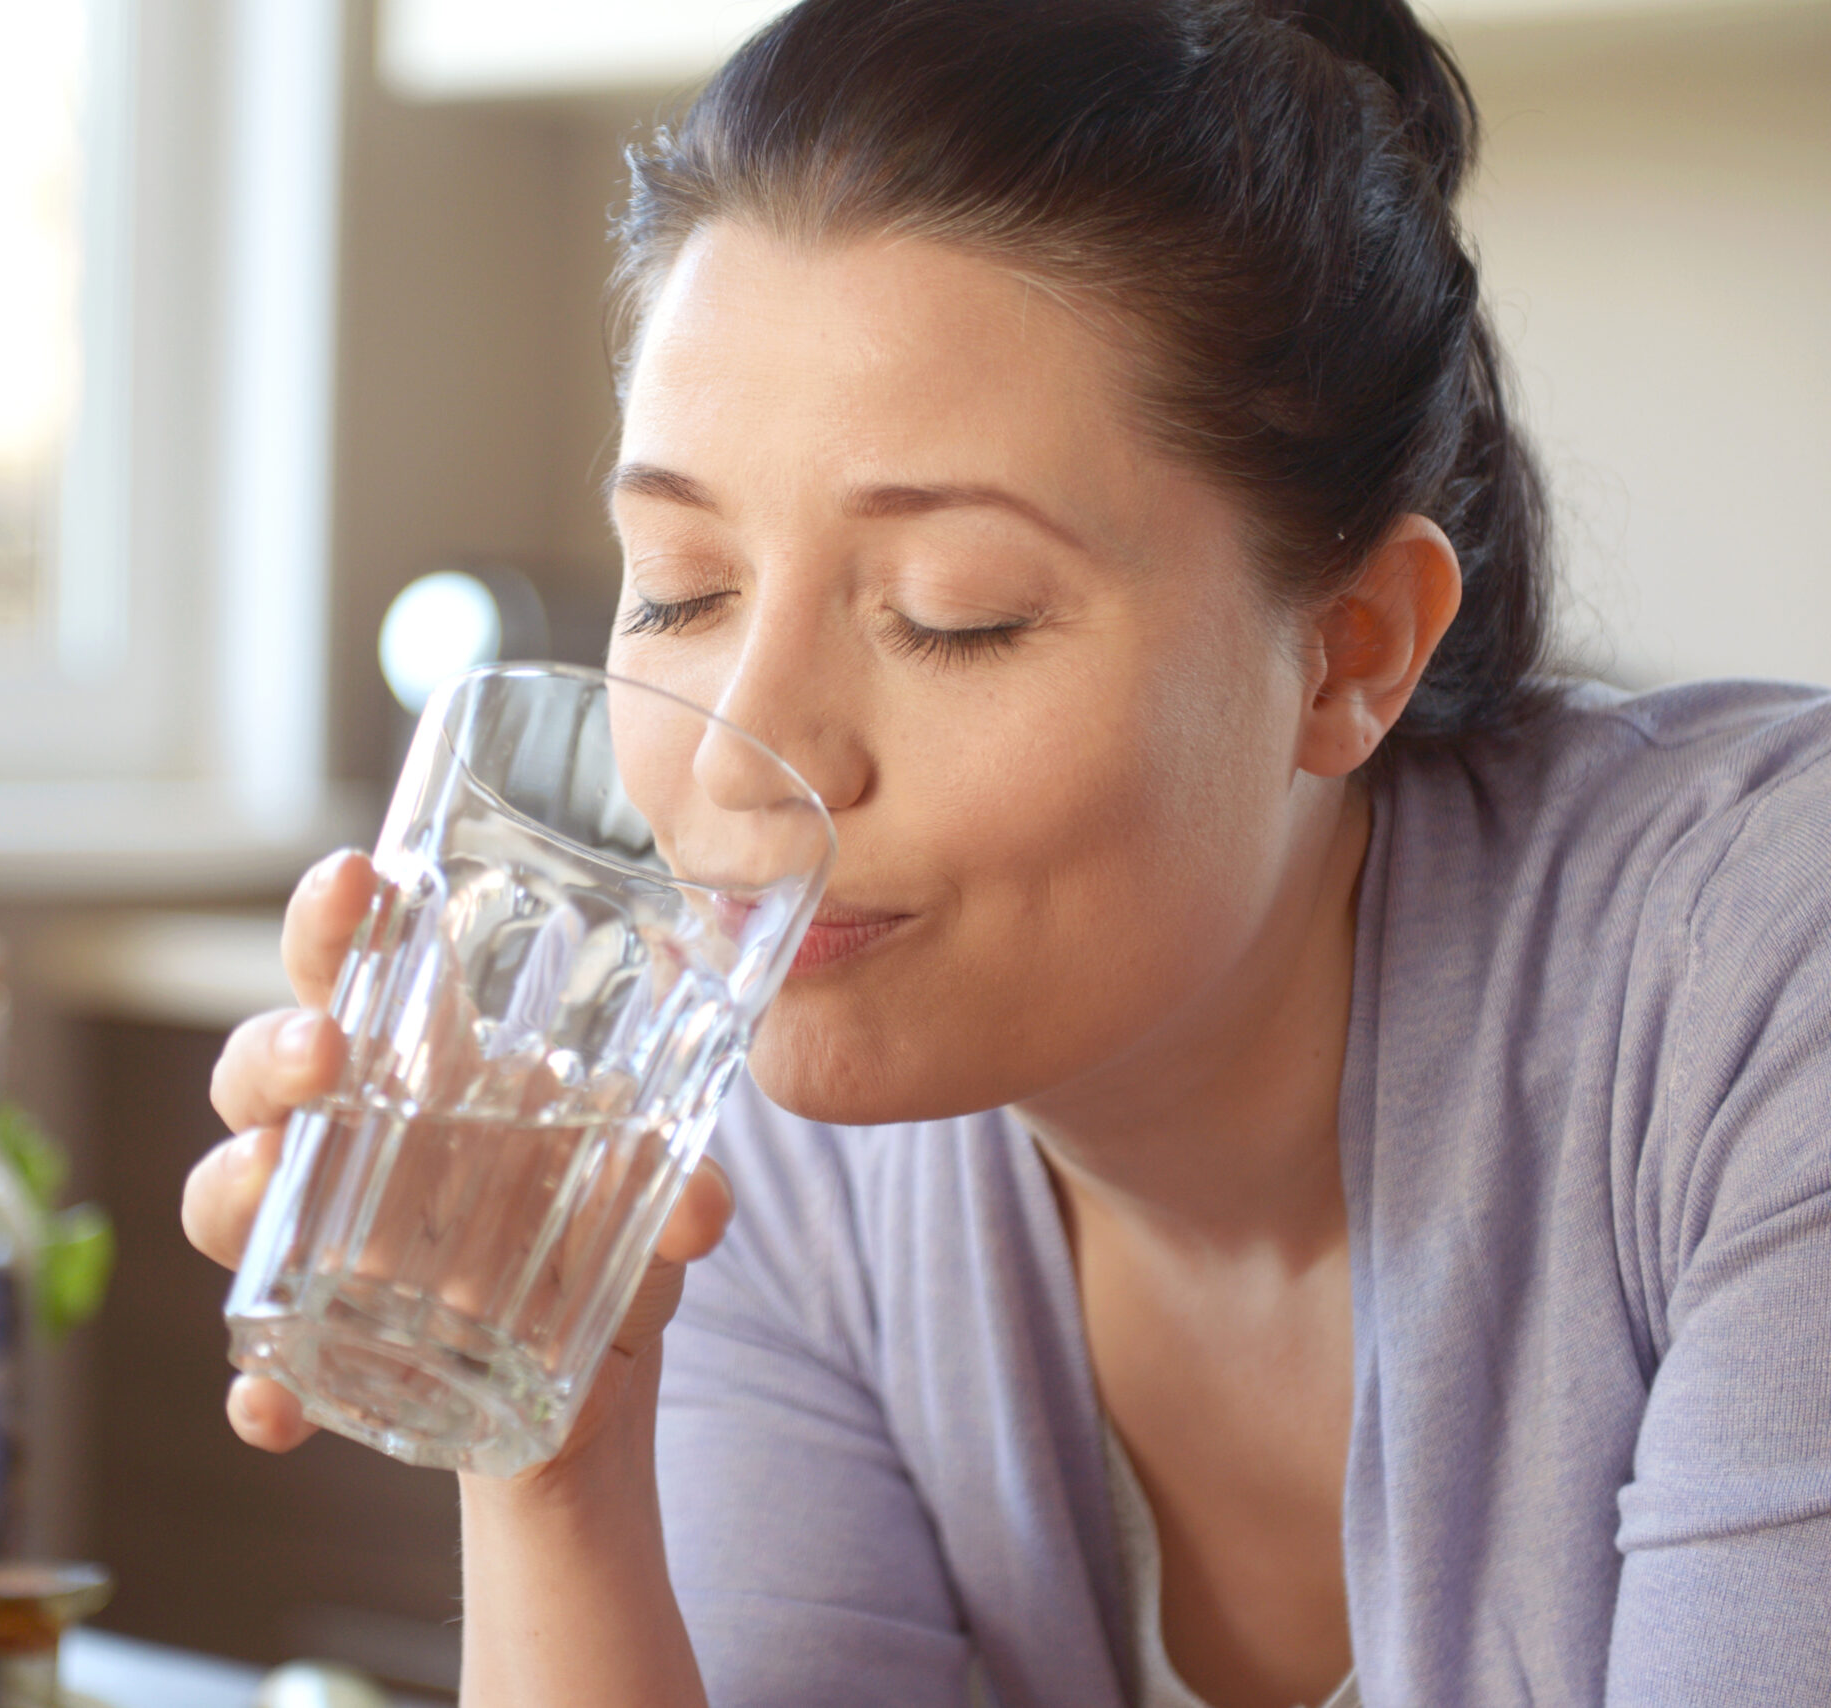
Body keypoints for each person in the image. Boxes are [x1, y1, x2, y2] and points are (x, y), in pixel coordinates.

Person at [182, 2, 1831, 1703]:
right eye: (680, 586)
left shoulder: (1766, 989)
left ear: (1350, 650)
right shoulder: (757, 1154)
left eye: (951, 617)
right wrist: (548, 1447)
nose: (758, 763)